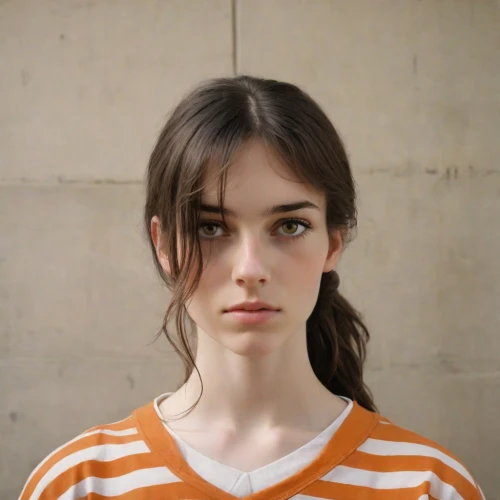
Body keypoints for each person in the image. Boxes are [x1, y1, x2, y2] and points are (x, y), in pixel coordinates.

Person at [19, 76, 485, 500]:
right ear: (163, 245)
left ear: (332, 243)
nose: (251, 268)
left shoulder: (427, 485)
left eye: (289, 225)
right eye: (209, 228)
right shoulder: (79, 482)